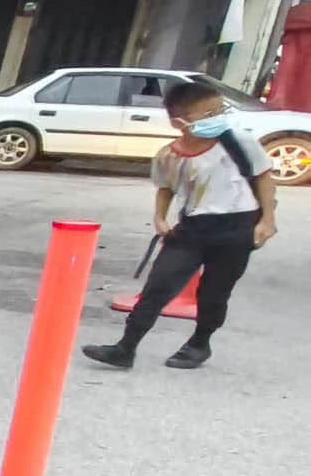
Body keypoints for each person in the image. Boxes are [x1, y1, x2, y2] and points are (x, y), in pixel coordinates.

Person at [82, 77, 278, 371]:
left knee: (214, 292)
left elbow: (264, 178)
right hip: (192, 229)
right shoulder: (169, 155)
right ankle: (125, 347)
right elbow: (166, 188)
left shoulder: (239, 142)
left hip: (237, 228)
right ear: (179, 122)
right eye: (209, 114)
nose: (219, 118)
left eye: (220, 110)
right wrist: (160, 218)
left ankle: (199, 343)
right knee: (158, 286)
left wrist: (267, 221)